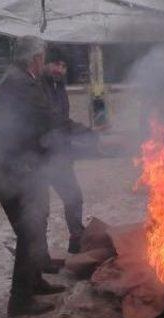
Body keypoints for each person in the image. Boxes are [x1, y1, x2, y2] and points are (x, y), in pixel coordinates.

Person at [0, 36, 66, 317]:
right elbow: (49, 120)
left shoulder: (21, 78)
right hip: (8, 167)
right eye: (42, 56)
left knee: (37, 220)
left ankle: (35, 281)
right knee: (29, 230)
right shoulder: (20, 84)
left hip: (19, 163)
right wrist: (91, 139)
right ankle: (20, 301)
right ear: (35, 59)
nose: (44, 61)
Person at [41, 46, 97, 257]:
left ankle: (76, 240)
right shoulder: (38, 87)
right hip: (41, 157)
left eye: (64, 66)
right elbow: (49, 123)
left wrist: (87, 132)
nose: (60, 69)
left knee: (73, 198)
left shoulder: (58, 87)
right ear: (46, 63)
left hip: (58, 157)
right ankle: (40, 257)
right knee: (39, 211)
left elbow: (63, 122)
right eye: (56, 64)